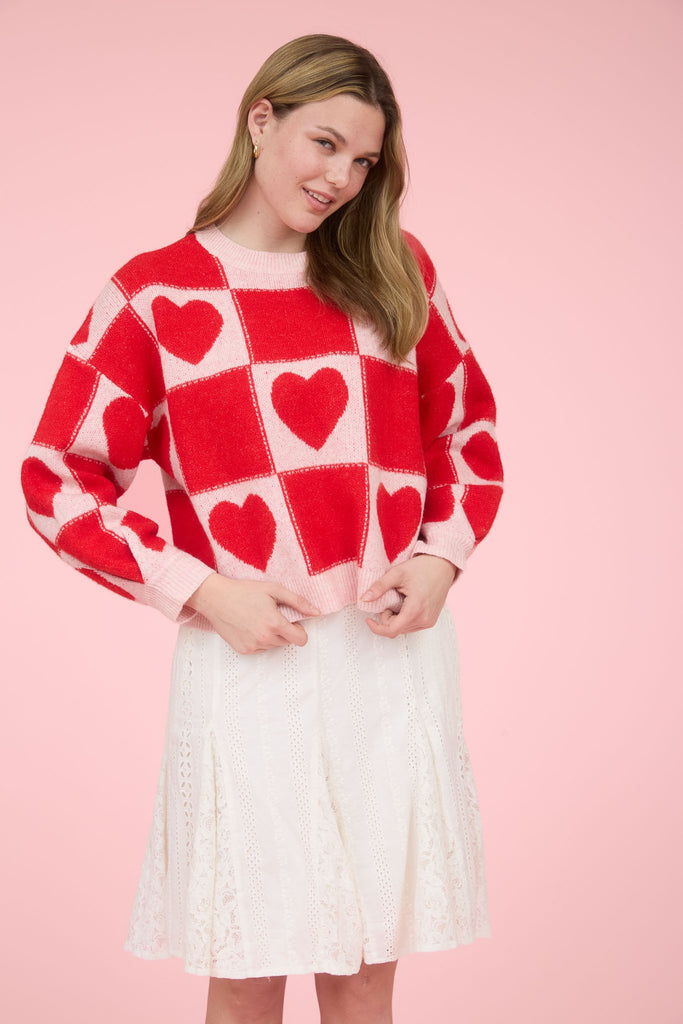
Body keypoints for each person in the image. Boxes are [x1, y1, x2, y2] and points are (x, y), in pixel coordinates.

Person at [20, 32, 504, 1024]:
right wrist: (202, 591)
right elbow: (55, 477)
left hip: (387, 659)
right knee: (246, 968)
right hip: (249, 662)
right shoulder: (155, 293)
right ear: (260, 120)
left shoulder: (394, 268)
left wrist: (439, 558)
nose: (340, 179)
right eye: (324, 144)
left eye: (363, 161)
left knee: (363, 970)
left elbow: (466, 430)